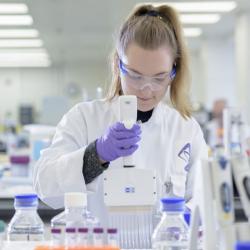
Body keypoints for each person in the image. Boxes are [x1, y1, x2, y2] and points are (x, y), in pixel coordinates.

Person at [34, 4, 208, 224]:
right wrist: (96, 155)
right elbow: (46, 187)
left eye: (159, 78)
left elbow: (203, 197)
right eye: (135, 75)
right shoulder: (84, 118)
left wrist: (189, 217)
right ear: (118, 64)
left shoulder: (185, 129)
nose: (146, 88)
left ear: (174, 70)